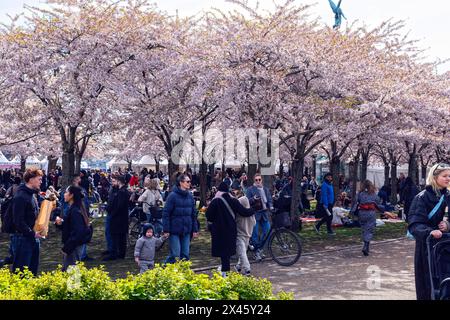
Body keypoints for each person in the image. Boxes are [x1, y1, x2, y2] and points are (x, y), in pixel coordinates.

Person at [408, 163, 450, 300]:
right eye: (445, 176)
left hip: (447, 248)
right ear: (434, 177)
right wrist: (429, 232)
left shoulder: (449, 197)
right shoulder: (422, 197)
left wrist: (448, 225)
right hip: (427, 250)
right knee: (429, 286)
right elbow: (415, 224)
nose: (448, 179)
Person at [206, 182, 255, 277]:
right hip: (230, 230)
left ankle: (225, 271)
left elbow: (209, 216)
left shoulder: (215, 201)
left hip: (218, 231)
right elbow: (244, 212)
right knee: (227, 252)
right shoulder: (233, 200)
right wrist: (253, 209)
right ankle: (225, 271)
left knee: (222, 252)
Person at [11, 169, 44, 276]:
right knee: (21, 273)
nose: (41, 182)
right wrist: (32, 233)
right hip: (22, 239)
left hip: (32, 237)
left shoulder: (32, 195)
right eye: (39, 179)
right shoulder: (20, 196)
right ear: (31, 180)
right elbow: (18, 221)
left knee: (32, 272)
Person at [162, 174, 199, 264]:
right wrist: (166, 229)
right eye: (187, 181)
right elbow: (166, 213)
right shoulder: (172, 196)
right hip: (174, 230)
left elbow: (193, 214)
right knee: (175, 254)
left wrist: (195, 229)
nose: (189, 183)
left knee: (185, 255)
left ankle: (183, 273)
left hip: (186, 230)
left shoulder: (190, 196)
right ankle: (164, 269)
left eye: (190, 181)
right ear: (181, 183)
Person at [55, 186, 92, 271]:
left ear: (71, 195)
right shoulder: (75, 208)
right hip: (73, 245)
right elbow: (71, 226)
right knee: (68, 271)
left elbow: (78, 232)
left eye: (66, 192)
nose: (64, 194)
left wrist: (67, 248)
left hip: (74, 246)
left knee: (72, 274)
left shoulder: (75, 210)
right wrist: (60, 223)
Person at [350, 180, 390, 256]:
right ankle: (366, 245)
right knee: (369, 229)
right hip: (370, 213)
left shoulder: (360, 194)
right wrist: (382, 209)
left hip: (362, 213)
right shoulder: (373, 194)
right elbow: (378, 202)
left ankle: (366, 246)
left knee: (364, 229)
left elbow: (355, 202)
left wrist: (352, 212)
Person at [246, 173, 273, 261]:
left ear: (262, 180)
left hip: (264, 214)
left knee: (268, 232)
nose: (258, 181)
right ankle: (256, 252)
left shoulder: (265, 189)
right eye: (256, 180)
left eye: (259, 179)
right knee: (255, 234)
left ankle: (260, 248)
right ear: (254, 181)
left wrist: (271, 206)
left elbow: (269, 199)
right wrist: (253, 199)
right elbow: (247, 201)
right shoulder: (250, 189)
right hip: (255, 214)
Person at [103, 175, 130, 261]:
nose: (113, 183)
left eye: (115, 181)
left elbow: (119, 206)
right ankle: (120, 253)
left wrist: (112, 213)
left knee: (117, 236)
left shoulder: (122, 192)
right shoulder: (122, 191)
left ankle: (115, 254)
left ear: (119, 181)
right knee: (120, 236)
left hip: (119, 217)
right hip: (121, 217)